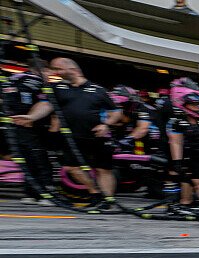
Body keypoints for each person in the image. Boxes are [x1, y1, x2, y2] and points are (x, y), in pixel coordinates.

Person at [47, 57, 122, 212]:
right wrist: (32, 117)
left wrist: (106, 125)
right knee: (71, 167)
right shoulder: (58, 88)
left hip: (98, 136)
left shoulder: (98, 90)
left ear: (73, 69)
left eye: (59, 69)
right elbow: (47, 106)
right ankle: (95, 193)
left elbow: (116, 111)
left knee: (103, 169)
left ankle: (107, 200)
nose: (56, 72)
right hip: (72, 137)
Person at [5, 59, 56, 205]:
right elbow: (43, 103)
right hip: (32, 126)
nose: (50, 75)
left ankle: (30, 194)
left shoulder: (12, 79)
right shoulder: (37, 82)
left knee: (28, 161)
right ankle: (46, 195)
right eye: (49, 72)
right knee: (41, 160)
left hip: (13, 127)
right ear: (43, 70)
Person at [107, 86, 154, 154]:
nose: (120, 106)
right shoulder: (128, 108)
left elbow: (143, 129)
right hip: (137, 138)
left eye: (122, 104)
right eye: (117, 104)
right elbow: (122, 122)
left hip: (152, 143)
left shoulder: (144, 109)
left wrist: (125, 140)